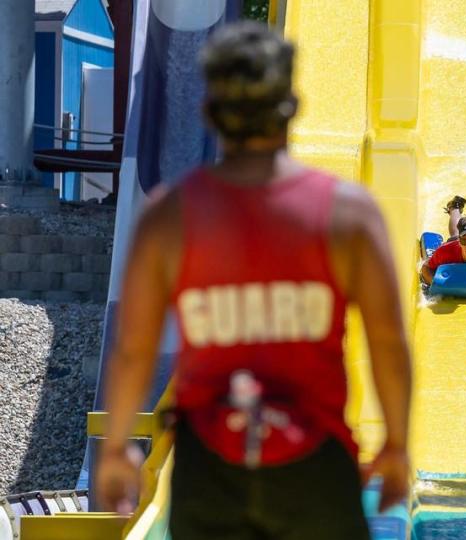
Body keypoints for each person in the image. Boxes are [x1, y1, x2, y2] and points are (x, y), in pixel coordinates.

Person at [95, 22, 412, 539]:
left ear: (210, 112)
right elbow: (387, 342)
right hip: (315, 463)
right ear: (290, 105)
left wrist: (114, 449)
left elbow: (134, 347)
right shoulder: (348, 214)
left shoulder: (168, 216)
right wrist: (396, 444)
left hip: (211, 465)